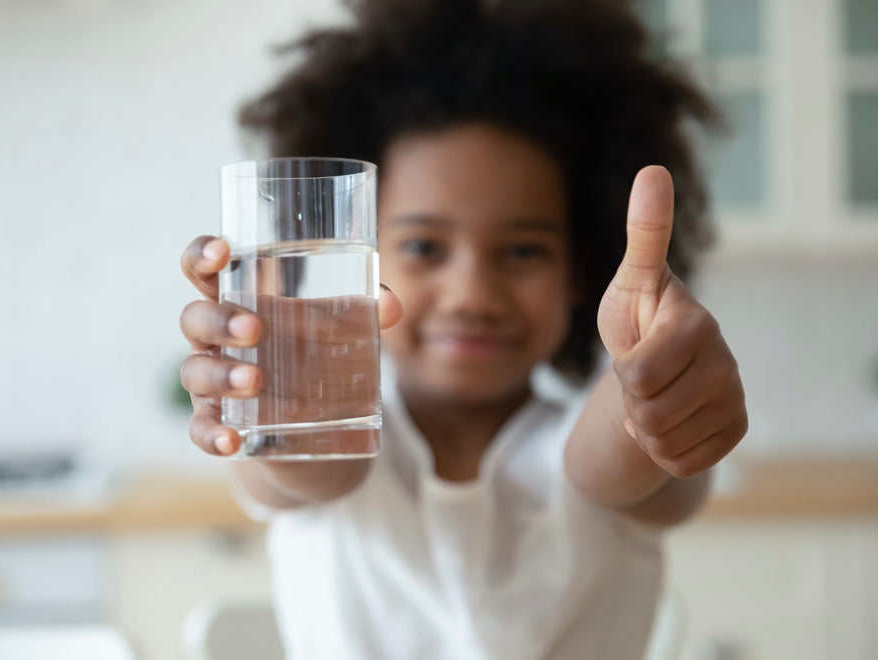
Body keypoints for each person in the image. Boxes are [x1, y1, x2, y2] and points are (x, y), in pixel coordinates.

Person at [178, 0, 748, 658]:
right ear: (355, 254)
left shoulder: (596, 443)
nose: (473, 294)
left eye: (523, 251)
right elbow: (305, 469)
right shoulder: (321, 438)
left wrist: (654, 384)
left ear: (579, 269)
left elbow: (612, 458)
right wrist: (265, 389)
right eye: (424, 248)